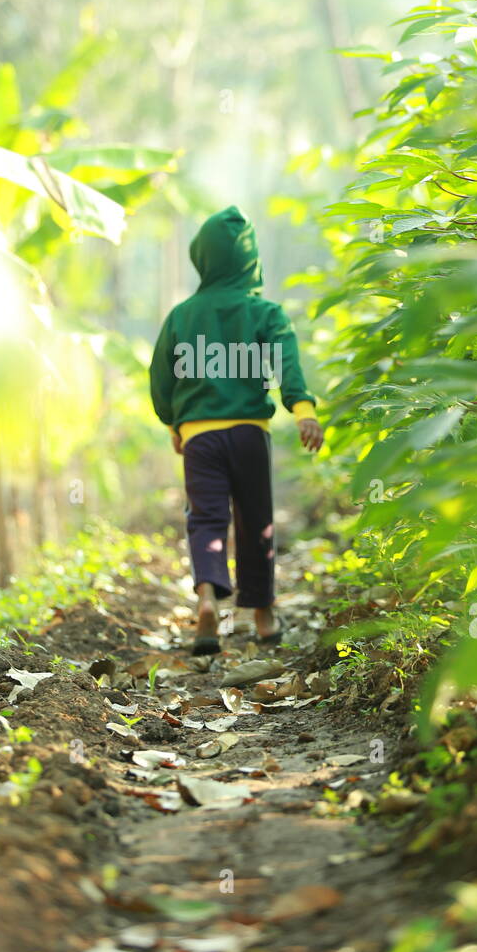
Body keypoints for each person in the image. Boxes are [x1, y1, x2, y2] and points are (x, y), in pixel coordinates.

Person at [149, 206, 322, 655]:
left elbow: (161, 377)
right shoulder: (264, 312)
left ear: (202, 259)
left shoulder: (182, 316)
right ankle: (263, 618)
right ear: (250, 259)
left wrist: (175, 422)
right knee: (255, 522)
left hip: (200, 438)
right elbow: (287, 361)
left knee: (205, 518)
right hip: (249, 434)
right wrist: (302, 409)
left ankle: (207, 599)